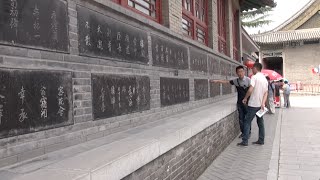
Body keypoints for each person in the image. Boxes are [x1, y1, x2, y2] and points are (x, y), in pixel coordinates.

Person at [211, 65, 251, 138]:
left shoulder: (248, 80)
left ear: (244, 72)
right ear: (236, 73)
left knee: (247, 118)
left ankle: (248, 132)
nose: (240, 73)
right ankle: (243, 133)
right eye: (238, 72)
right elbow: (226, 82)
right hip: (240, 103)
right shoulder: (236, 81)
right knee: (241, 118)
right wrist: (217, 81)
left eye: (241, 71)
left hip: (248, 103)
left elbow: (252, 91)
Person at [238, 62, 268, 146]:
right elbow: (266, 93)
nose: (251, 70)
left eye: (252, 69)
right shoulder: (264, 79)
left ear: (255, 68)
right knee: (260, 123)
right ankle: (261, 140)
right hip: (260, 105)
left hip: (253, 104)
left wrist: (245, 98)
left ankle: (245, 141)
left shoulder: (254, 77)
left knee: (247, 121)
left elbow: (251, 89)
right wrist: (263, 103)